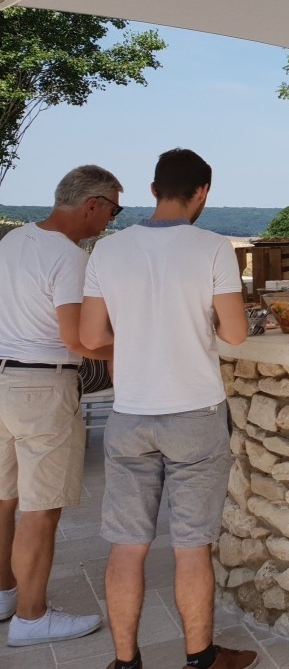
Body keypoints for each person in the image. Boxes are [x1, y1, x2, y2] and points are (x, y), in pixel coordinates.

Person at [79, 150, 255, 669]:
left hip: (130, 414)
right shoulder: (213, 248)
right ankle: (200, 659)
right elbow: (237, 333)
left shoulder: (108, 252)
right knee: (190, 546)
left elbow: (90, 338)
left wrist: (137, 339)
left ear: (153, 190)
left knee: (127, 545)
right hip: (194, 413)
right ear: (202, 192)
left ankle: (124, 662)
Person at [0, 166, 119, 646]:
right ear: (92, 203)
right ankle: (32, 617)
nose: (111, 220)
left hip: (2, 374)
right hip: (41, 386)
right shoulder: (69, 257)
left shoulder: (12, 243)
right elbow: (79, 339)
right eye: (113, 209)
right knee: (41, 508)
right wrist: (133, 345)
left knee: (4, 498)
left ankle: (5, 593)